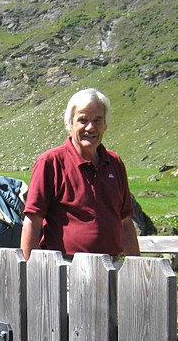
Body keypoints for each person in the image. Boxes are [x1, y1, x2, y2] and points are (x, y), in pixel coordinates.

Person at [20, 88, 140, 261]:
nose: (90, 127)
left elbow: (126, 222)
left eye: (97, 120)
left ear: (105, 125)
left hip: (111, 264)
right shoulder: (51, 162)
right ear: (70, 124)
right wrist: (29, 268)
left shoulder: (114, 162)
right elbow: (33, 220)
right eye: (83, 120)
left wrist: (136, 266)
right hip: (65, 266)